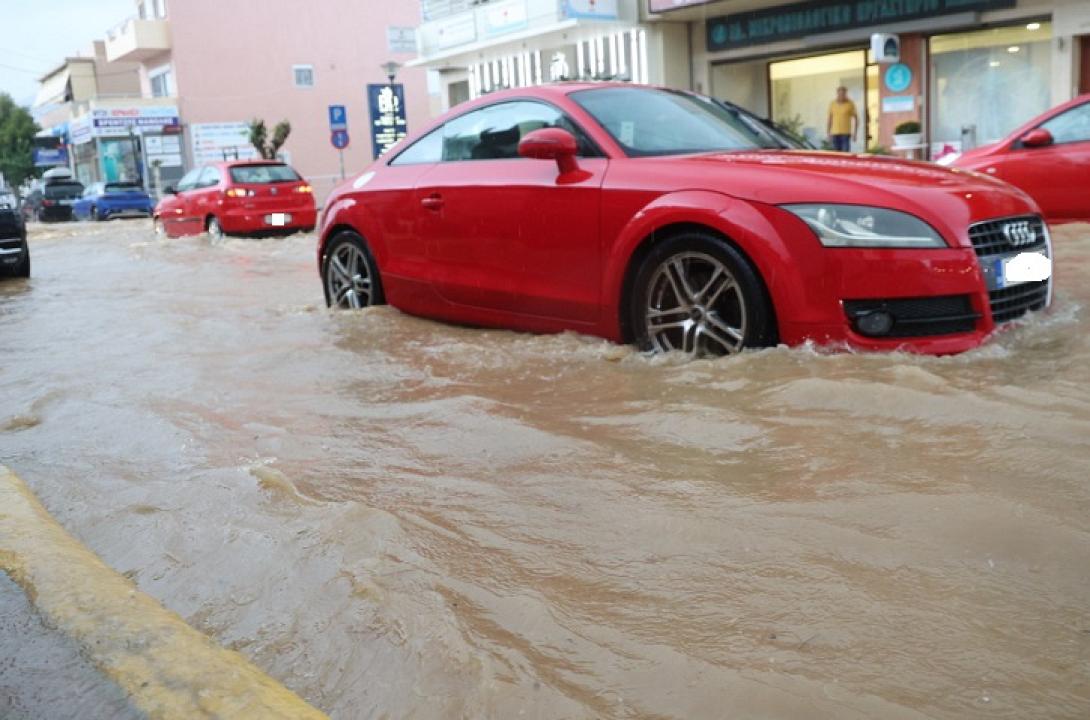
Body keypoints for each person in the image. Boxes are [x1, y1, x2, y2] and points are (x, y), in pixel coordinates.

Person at [827, 86, 858, 152]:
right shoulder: (832, 104)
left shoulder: (850, 104)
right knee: (836, 154)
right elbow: (830, 119)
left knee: (845, 154)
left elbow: (856, 119)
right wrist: (828, 132)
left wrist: (855, 133)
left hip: (845, 134)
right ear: (837, 94)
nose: (841, 95)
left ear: (846, 94)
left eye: (843, 94)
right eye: (840, 94)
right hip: (834, 133)